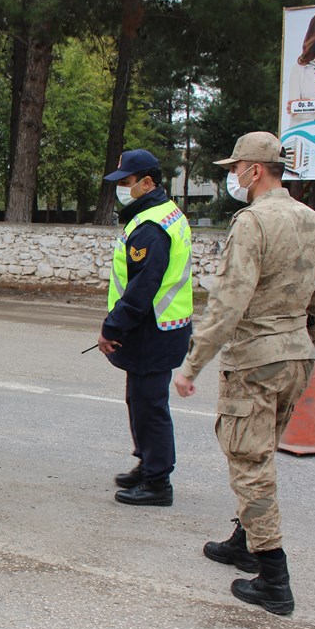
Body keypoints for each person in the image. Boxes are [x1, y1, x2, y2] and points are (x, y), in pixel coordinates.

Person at [174, 132, 315, 617]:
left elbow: (228, 303)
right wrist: (303, 344)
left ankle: (273, 577)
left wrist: (192, 364)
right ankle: (243, 541)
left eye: (236, 167)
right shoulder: (312, 219)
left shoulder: (252, 222)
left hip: (255, 359)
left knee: (249, 462)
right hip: (296, 356)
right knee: (260, 452)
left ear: (255, 170)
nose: (233, 176)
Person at [98, 149, 193, 507]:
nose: (122, 189)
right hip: (162, 326)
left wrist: (112, 327)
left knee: (150, 404)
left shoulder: (151, 227)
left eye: (127, 182)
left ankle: (157, 481)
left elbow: (141, 288)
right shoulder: (163, 215)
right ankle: (147, 462)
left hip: (152, 329)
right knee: (138, 399)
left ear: (148, 183)